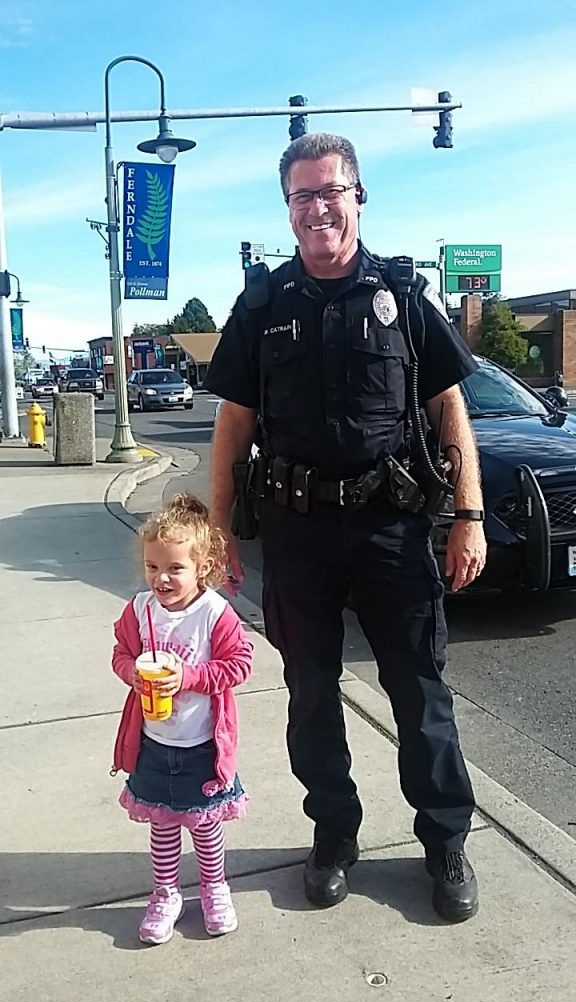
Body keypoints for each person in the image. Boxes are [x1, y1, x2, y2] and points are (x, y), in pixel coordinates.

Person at [205, 132, 487, 923]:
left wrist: (467, 517)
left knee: (420, 692)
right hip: (296, 536)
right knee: (309, 694)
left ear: (358, 196)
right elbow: (234, 420)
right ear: (288, 209)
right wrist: (218, 530)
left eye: (331, 191)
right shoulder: (264, 308)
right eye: (302, 195)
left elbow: (448, 408)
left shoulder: (399, 296)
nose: (318, 207)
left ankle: (444, 841)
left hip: (391, 527)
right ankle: (334, 835)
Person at [111, 493, 253, 944]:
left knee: (205, 824)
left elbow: (241, 664)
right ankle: (166, 892)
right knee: (163, 823)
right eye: (153, 567)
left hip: (201, 745)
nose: (162, 578)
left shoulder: (214, 614)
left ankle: (214, 887)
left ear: (203, 567)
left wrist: (189, 677)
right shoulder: (139, 611)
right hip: (154, 743)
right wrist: (131, 672)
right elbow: (120, 653)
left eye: (175, 568)